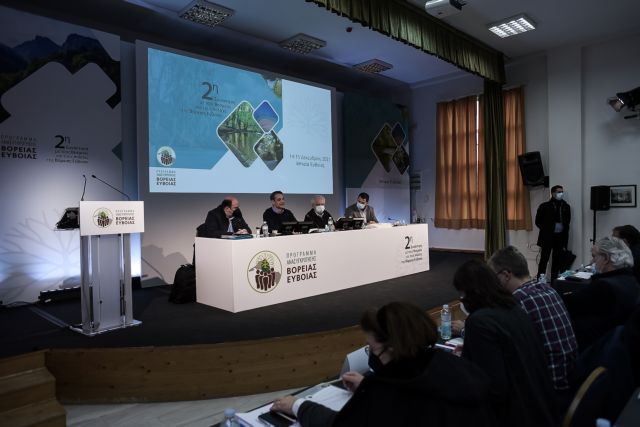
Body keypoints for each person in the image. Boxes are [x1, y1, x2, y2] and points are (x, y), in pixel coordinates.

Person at [270, 302, 495, 427]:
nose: (372, 354)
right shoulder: (454, 366)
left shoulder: (386, 394)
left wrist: (299, 406)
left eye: (372, 348)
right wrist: (369, 387)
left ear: (392, 348)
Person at [452, 259, 557, 427]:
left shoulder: (479, 322)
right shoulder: (514, 308)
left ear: (472, 293)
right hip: (540, 407)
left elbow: (493, 388)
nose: (462, 300)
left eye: (463, 294)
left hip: (514, 415)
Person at [562, 236, 639, 349]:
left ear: (606, 258)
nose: (591, 261)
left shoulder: (604, 286)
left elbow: (566, 304)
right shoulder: (632, 281)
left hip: (595, 347)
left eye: (594, 256)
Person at [535, 185, 571, 280]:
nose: (561, 194)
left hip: (560, 237)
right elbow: (538, 221)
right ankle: (540, 280)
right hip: (547, 237)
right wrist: (548, 229)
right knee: (544, 259)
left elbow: (567, 223)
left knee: (557, 261)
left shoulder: (565, 206)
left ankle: (554, 282)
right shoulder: (544, 206)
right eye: (559, 192)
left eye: (562, 192)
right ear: (553, 193)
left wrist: (565, 240)